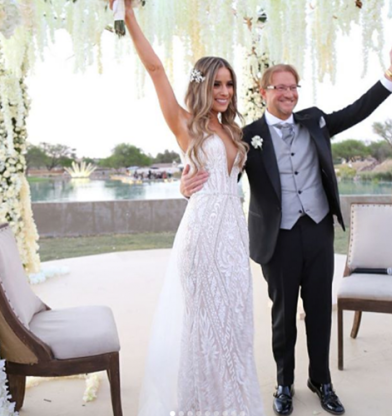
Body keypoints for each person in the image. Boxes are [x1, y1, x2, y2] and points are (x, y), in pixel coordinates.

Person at [181, 44, 392, 416]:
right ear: (264, 92)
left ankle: (321, 381)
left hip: (319, 231)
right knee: (283, 316)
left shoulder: (315, 120)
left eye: (293, 87)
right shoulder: (246, 136)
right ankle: (284, 384)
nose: (288, 93)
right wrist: (186, 185)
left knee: (320, 311)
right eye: (280, 87)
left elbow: (357, 110)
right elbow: (221, 178)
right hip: (278, 238)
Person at [110, 1, 265, 415]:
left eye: (228, 84)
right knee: (204, 327)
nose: (224, 92)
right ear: (202, 86)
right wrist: (130, 17)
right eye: (216, 85)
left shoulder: (233, 129)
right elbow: (155, 69)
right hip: (201, 237)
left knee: (235, 323)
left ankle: (235, 405)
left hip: (233, 237)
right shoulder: (185, 123)